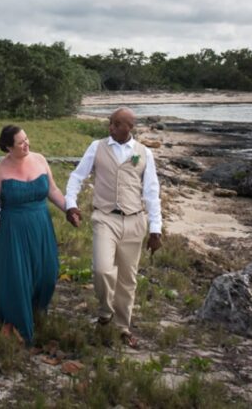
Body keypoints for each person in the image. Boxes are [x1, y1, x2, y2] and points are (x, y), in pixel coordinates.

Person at [65, 107, 163, 348]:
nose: (110, 127)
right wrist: (71, 205)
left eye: (116, 124)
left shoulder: (144, 153)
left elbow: (151, 192)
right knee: (101, 269)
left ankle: (122, 326)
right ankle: (105, 309)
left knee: (128, 279)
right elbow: (77, 177)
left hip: (134, 220)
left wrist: (155, 229)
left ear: (129, 127)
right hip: (105, 216)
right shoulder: (97, 147)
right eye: (110, 123)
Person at [0, 125, 65, 345]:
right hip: (12, 228)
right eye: (20, 142)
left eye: (26, 139)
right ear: (8, 147)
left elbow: (53, 190)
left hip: (41, 224)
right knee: (17, 276)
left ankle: (37, 309)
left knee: (48, 272)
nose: (26, 144)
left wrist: (69, 209)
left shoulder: (40, 159)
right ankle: (14, 321)